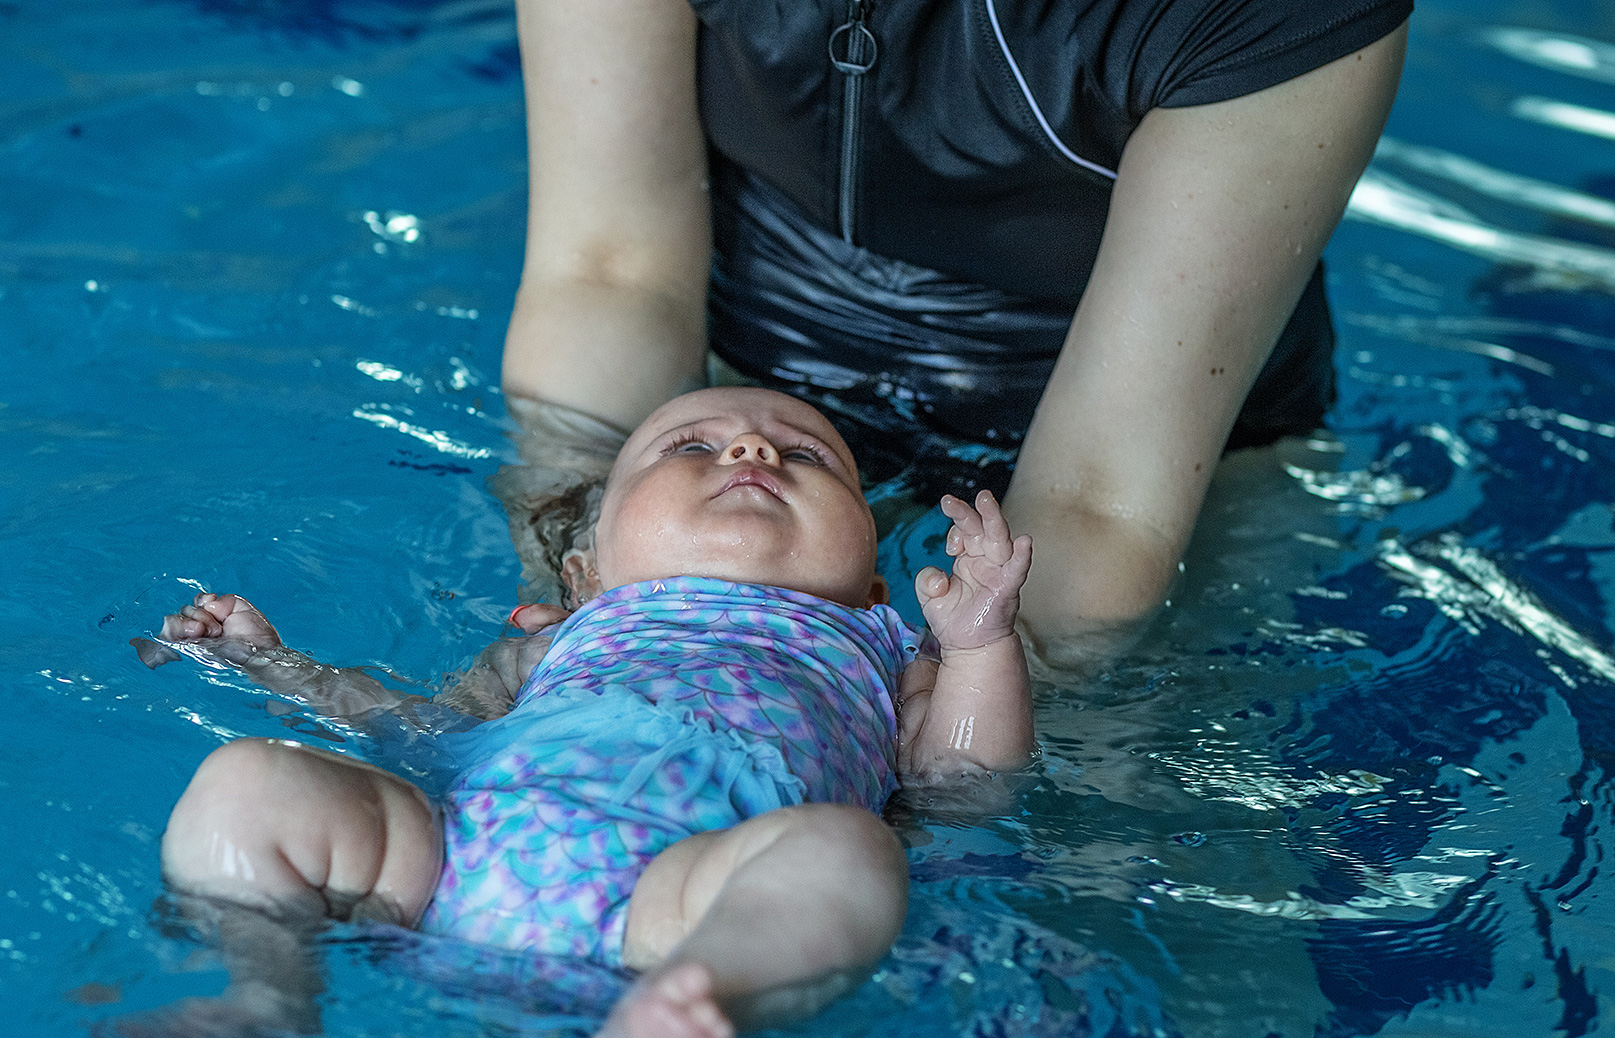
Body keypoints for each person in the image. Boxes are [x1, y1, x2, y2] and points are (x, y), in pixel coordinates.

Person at [117, 388, 1034, 1038]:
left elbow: (961, 782)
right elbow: (420, 734)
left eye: (807, 456)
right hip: (444, 865)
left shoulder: (882, 647)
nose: (754, 449)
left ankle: (694, 998)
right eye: (692, 447)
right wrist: (273, 664)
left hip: (685, 902)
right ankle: (268, 987)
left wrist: (979, 645)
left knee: (846, 851)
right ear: (587, 573)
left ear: (872, 587)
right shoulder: (557, 639)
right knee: (253, 780)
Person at [498, 0, 1410, 665]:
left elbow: (1103, 502)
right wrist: (581, 605)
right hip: (759, 377)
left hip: (1166, 467)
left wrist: (922, 724)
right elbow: (608, 277)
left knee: (1108, 823)